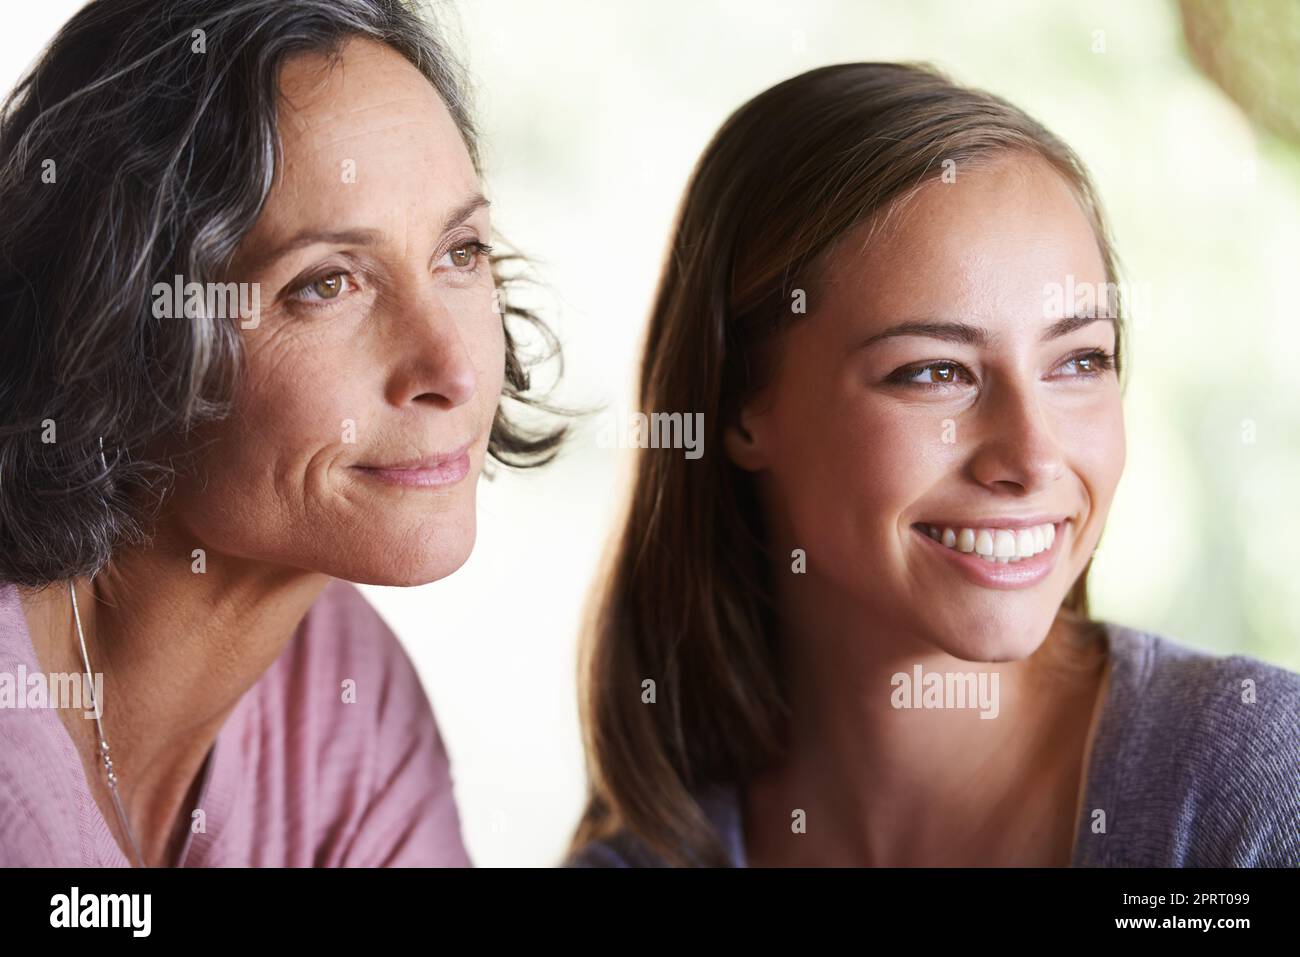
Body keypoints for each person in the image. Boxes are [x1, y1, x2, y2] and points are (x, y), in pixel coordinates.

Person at [567, 62, 1299, 868]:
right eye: (934, 372)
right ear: (742, 405)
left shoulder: (1256, 787)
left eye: (1080, 360)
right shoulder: (651, 857)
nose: (1032, 454)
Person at [0, 0, 562, 867]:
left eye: (460, 252)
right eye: (328, 282)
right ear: (120, 328)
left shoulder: (348, 703)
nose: (452, 371)